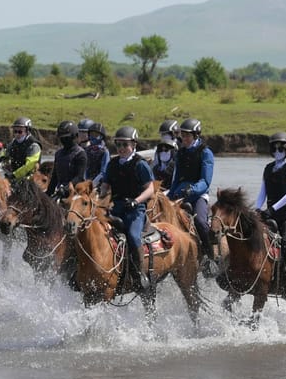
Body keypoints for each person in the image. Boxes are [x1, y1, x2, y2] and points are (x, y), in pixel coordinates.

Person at [99, 126, 155, 292]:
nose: (121, 148)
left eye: (125, 144)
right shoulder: (112, 164)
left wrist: (137, 201)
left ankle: (139, 274)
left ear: (134, 144)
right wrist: (98, 197)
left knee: (132, 235)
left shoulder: (141, 165)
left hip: (135, 210)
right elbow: (105, 186)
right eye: (118, 145)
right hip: (116, 208)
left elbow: (150, 189)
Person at [255, 132, 286, 302]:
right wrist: (257, 209)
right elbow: (262, 193)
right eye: (274, 147)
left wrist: (271, 209)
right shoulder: (268, 168)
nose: (278, 150)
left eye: (281, 147)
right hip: (270, 215)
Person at [167, 117, 216, 273]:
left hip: (199, 195)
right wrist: (169, 197)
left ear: (196, 135)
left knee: (201, 222)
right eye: (183, 135)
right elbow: (175, 179)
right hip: (179, 194)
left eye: (187, 135)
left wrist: (192, 190)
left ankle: (210, 258)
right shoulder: (180, 152)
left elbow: (205, 181)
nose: (185, 138)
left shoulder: (206, 153)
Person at [46, 120, 87, 199]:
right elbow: (55, 177)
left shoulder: (81, 154)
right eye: (62, 138)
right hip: (59, 191)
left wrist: (66, 188)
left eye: (66, 138)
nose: (64, 140)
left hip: (75, 192)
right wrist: (48, 193)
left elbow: (79, 176)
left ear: (74, 136)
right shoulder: (58, 154)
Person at [0, 116, 42, 183]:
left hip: (29, 180)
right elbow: (5, 150)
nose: (17, 134)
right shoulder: (13, 142)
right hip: (14, 177)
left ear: (28, 131)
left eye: (20, 132)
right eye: (15, 131)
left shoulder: (34, 146)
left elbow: (29, 165)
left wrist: (14, 175)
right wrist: (2, 156)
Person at [151, 119, 179, 185]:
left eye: (166, 134)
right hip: (159, 184)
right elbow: (155, 166)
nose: (164, 137)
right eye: (162, 134)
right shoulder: (158, 150)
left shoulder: (180, 149)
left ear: (174, 134)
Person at [84, 121, 110, 187]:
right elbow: (84, 167)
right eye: (91, 135)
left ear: (102, 137)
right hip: (85, 182)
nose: (93, 137)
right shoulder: (87, 150)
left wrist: (93, 184)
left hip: (98, 184)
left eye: (96, 135)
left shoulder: (104, 152)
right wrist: (84, 180)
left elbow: (103, 172)